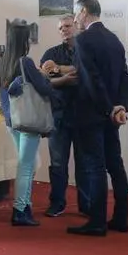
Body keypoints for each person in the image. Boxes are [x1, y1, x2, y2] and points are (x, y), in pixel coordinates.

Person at [68, 0, 128, 237]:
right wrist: (120, 107)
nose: (74, 20)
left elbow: (91, 80)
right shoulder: (114, 39)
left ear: (84, 11)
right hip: (112, 114)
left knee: (95, 167)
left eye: (76, 14)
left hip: (93, 113)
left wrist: (108, 108)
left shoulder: (83, 40)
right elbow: (125, 78)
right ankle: (121, 218)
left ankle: (96, 221)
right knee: (116, 165)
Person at [0, 20, 56, 227]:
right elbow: (43, 88)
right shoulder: (26, 62)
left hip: (12, 121)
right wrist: (50, 77)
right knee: (26, 166)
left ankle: (26, 205)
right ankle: (20, 209)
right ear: (25, 40)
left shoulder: (4, 62)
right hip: (28, 121)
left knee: (28, 165)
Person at [39, 15, 89, 217]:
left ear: (76, 26)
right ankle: (57, 203)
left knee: (84, 163)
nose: (64, 30)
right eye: (61, 28)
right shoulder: (51, 52)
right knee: (58, 164)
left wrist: (58, 70)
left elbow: (83, 73)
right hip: (58, 116)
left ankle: (86, 204)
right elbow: (43, 76)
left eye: (68, 26)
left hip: (83, 115)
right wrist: (65, 76)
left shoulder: (86, 51)